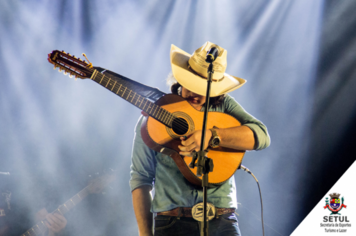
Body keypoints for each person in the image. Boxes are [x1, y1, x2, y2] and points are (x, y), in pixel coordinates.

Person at [129, 42, 270, 236]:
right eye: (192, 84)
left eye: (204, 88)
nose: (195, 93)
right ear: (181, 79)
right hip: (171, 224)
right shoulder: (153, 118)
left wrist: (213, 136)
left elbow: (261, 135)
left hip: (222, 221)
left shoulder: (224, 105)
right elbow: (141, 178)